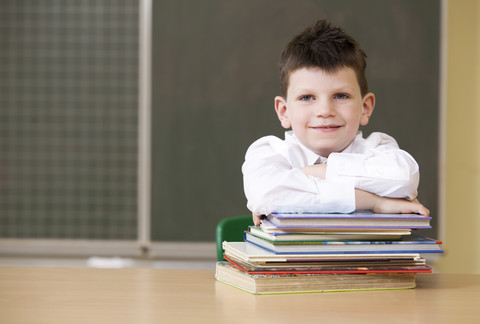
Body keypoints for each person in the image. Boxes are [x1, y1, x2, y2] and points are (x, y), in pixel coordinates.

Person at [242, 19, 429, 226]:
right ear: (284, 111)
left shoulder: (378, 148)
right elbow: (266, 195)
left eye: (340, 96)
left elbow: (404, 178)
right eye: (307, 97)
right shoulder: (269, 151)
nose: (325, 111)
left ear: (365, 108)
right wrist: (374, 201)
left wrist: (310, 173)